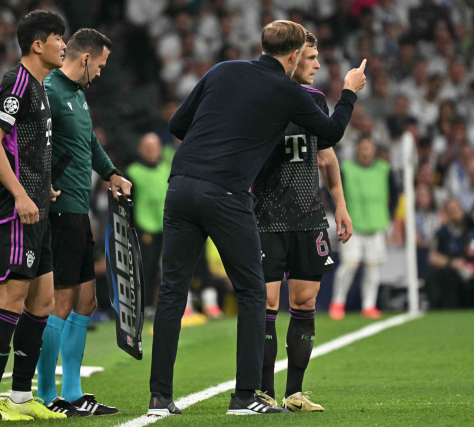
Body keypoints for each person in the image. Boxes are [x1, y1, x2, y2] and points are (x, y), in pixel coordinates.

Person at [148, 20, 366, 417]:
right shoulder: (285, 91)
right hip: (226, 193)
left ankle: (160, 397)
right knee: (252, 293)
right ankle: (246, 395)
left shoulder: (223, 69)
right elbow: (331, 133)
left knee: (173, 292)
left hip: (179, 186)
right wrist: (349, 91)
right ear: (294, 54)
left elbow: (177, 125)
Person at [0, 10, 68, 421]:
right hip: (15, 213)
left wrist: (41, 187)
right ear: (37, 44)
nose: (65, 44)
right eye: (59, 38)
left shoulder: (42, 87)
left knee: (43, 301)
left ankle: (21, 395)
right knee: (9, 300)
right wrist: (20, 195)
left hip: (37, 210)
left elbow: (24, 147)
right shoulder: (17, 83)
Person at [254, 31, 352, 413]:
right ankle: (261, 392)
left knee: (305, 301)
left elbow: (326, 157)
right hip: (265, 217)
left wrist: (340, 206)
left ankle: (294, 392)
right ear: (292, 58)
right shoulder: (263, 98)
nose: (317, 65)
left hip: (309, 217)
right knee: (266, 303)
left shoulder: (315, 101)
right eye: (310, 58)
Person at [36, 28, 130, 417]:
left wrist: (111, 173)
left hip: (79, 210)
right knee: (60, 302)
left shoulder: (77, 96)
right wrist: (41, 184)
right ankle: (45, 394)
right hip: (58, 212)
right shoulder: (51, 90)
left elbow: (88, 144)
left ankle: (73, 392)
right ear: (86, 59)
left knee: (87, 301)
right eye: (101, 66)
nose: (101, 74)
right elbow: (24, 141)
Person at [329, 137, 397, 320]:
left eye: (369, 148)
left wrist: (388, 215)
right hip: (353, 225)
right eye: (362, 147)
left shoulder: (384, 169)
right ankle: (337, 303)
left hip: (376, 224)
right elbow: (332, 189)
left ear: (374, 150)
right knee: (349, 265)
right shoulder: (346, 169)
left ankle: (369, 305)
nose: (366, 151)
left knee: (372, 267)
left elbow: (395, 193)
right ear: (357, 149)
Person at [125, 133, 170, 317]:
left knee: (170, 268)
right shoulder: (132, 172)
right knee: (147, 268)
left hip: (166, 225)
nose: (152, 152)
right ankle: (145, 306)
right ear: (140, 150)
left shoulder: (166, 169)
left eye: (155, 147)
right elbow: (128, 202)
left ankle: (173, 305)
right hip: (145, 226)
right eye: (148, 148)